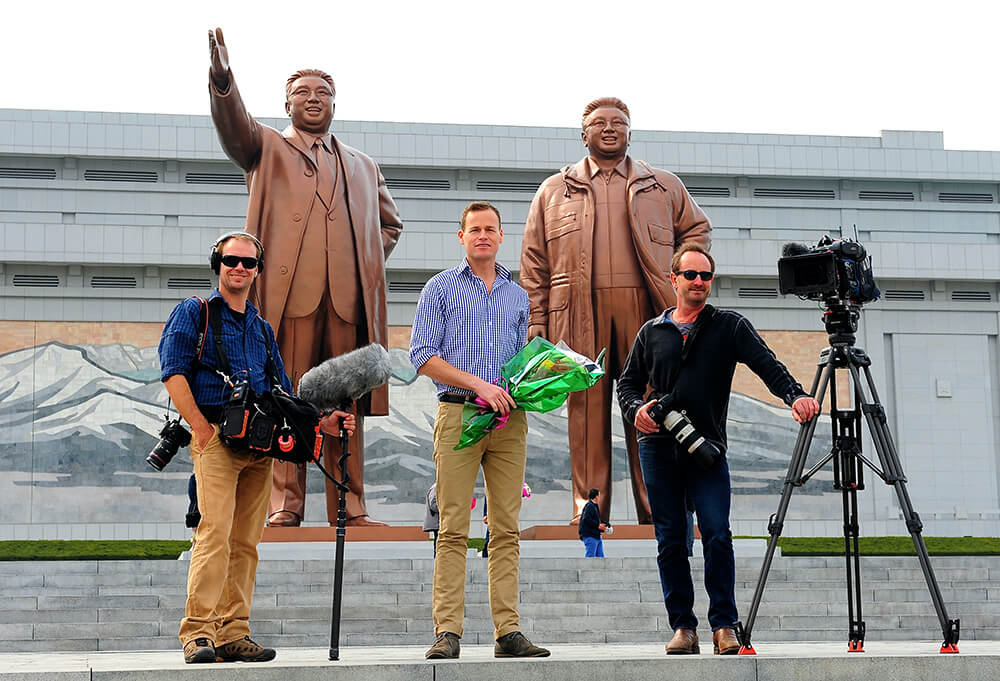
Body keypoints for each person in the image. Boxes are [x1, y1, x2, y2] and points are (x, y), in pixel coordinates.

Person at [206, 28, 402, 528]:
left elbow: (390, 225)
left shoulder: (362, 165)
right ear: (287, 103)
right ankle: (285, 506)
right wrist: (223, 81)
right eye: (302, 94)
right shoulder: (266, 149)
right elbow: (235, 128)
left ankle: (350, 505)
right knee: (286, 399)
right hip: (287, 300)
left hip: (347, 304)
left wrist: (364, 264)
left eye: (323, 94)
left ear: (335, 103)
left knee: (346, 404)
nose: (314, 100)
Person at [160, 231, 354, 664]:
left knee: (246, 542)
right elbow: (173, 372)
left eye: (249, 263)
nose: (240, 269)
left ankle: (233, 632)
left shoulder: (262, 328)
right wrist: (200, 429)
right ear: (218, 263)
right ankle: (198, 634)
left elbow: (282, 394)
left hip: (259, 448)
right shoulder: (195, 313)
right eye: (231, 261)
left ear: (258, 271)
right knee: (214, 536)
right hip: (215, 439)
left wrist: (323, 422)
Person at [616, 243, 820, 656]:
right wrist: (636, 410)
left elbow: (768, 364)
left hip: (706, 448)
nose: (698, 283)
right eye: (690, 275)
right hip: (657, 447)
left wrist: (795, 395)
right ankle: (683, 628)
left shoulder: (729, 326)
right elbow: (627, 383)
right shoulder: (652, 331)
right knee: (671, 540)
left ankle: (724, 625)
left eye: (705, 276)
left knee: (717, 534)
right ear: (673, 280)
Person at [521, 97, 712, 525]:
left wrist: (679, 275)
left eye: (618, 123)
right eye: (599, 123)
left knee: (652, 405)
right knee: (585, 409)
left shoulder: (662, 185)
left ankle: (659, 509)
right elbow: (534, 261)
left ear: (631, 131)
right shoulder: (554, 190)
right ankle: (589, 510)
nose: (609, 129)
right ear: (582, 133)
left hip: (645, 310)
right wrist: (537, 321)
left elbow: (697, 228)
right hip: (576, 312)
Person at [410, 201, 549, 660]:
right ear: (462, 237)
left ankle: (508, 632)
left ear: (501, 236)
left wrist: (546, 377)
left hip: (509, 420)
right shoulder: (440, 289)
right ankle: (446, 632)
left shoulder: (517, 294)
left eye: (490, 229)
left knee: (506, 528)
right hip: (459, 415)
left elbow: (518, 358)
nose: (482, 236)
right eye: (474, 229)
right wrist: (479, 386)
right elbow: (421, 356)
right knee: (452, 528)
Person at [579, 488, 607, 557]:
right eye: (599, 495)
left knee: (600, 557)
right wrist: (598, 525)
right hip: (590, 536)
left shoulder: (593, 506)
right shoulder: (590, 506)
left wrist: (604, 525)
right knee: (590, 557)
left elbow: (594, 520)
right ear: (596, 496)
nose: (599, 497)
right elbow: (586, 519)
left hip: (596, 535)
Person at [423, 482, 439, 556]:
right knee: (439, 543)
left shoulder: (439, 486)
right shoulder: (436, 487)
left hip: (440, 522)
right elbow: (433, 505)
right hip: (437, 522)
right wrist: (448, 508)